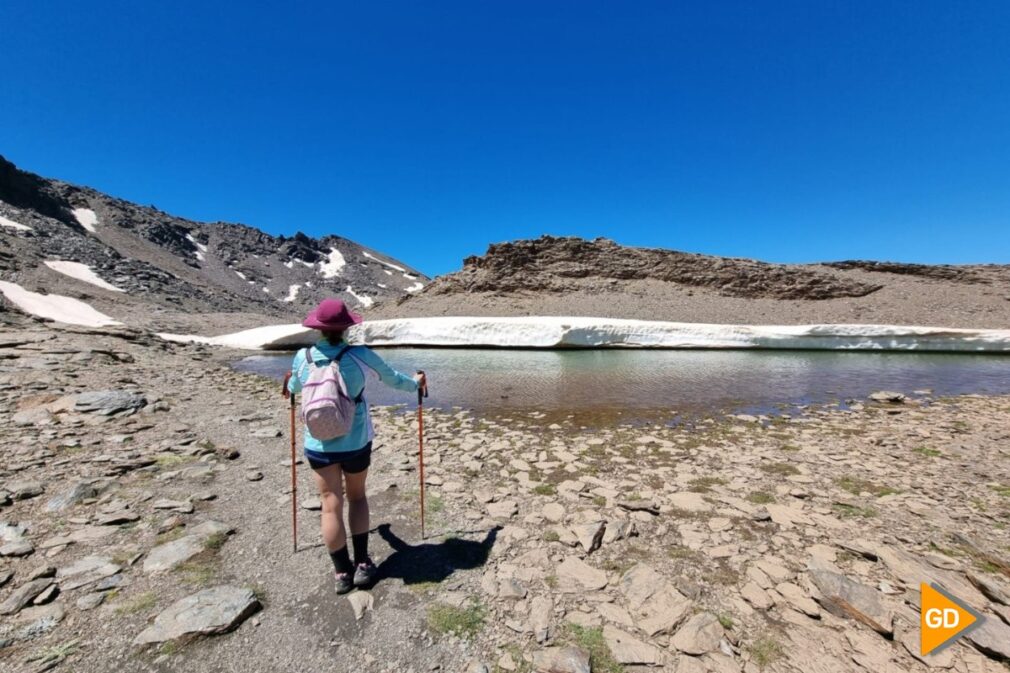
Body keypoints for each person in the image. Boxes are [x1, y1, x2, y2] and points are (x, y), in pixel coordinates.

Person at [287, 298, 424, 594]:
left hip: (318, 442)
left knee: (329, 503)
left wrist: (289, 383)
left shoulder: (303, 356)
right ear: (348, 326)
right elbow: (393, 380)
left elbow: (294, 388)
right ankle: (362, 565)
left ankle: (341, 573)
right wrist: (417, 383)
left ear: (318, 328)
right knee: (358, 497)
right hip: (355, 439)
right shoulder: (360, 354)